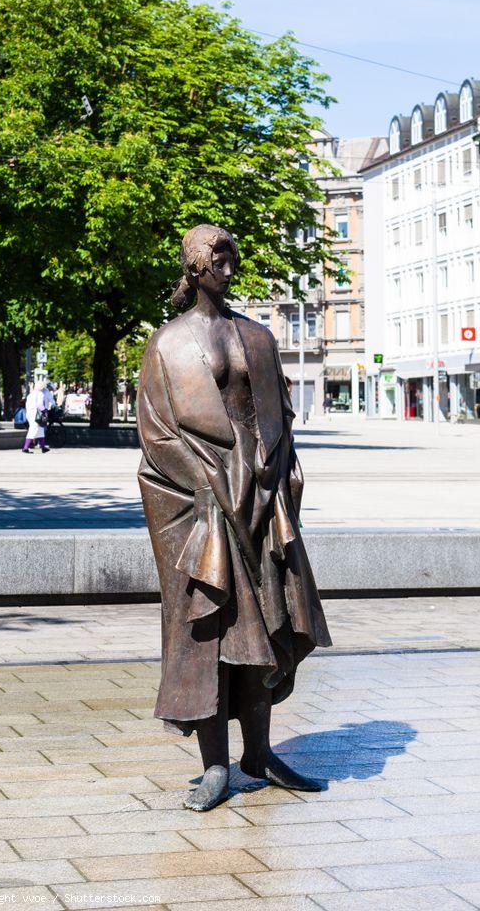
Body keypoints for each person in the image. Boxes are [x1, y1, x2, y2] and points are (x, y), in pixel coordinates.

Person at [137, 224, 331, 812]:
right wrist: (206, 482)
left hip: (262, 492)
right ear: (194, 267)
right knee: (211, 629)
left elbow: (282, 416)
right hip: (200, 500)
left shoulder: (260, 337)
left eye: (231, 256)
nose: (228, 265)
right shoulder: (168, 344)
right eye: (217, 257)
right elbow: (156, 432)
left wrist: (278, 472)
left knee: (269, 622)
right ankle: (216, 764)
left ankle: (261, 752)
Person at [22, 381, 49, 454]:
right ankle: (25, 448)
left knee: (40, 430)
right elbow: (40, 405)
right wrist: (45, 411)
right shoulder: (40, 394)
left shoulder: (30, 394)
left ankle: (43, 448)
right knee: (33, 430)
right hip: (36, 414)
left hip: (30, 414)